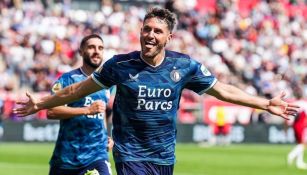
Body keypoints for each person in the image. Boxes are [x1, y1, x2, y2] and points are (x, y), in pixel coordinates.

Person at [14, 8, 299, 175]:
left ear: (168, 38)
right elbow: (75, 90)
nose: (149, 35)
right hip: (129, 154)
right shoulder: (119, 65)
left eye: (157, 31)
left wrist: (264, 104)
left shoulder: (184, 66)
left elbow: (222, 90)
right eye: (146, 29)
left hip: (164, 156)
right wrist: (40, 103)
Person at [47, 34, 113, 175]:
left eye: (100, 48)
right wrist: (86, 110)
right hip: (66, 157)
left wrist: (108, 136)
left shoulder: (108, 83)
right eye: (91, 47)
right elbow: (51, 111)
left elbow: (102, 113)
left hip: (97, 155)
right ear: (81, 52)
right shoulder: (67, 80)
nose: (96, 51)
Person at [286, 92, 307, 170]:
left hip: (294, 125)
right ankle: (291, 155)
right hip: (302, 125)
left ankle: (299, 162)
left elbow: (288, 116)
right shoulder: (304, 104)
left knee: (299, 143)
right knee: (303, 144)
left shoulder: (293, 103)